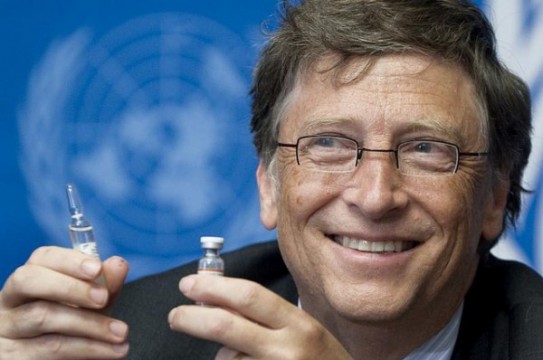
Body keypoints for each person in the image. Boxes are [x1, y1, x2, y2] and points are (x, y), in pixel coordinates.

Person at [1, 0, 542, 358]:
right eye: (329, 144)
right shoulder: (133, 337)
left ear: (494, 194)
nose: (375, 197)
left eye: (426, 149)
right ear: (269, 185)